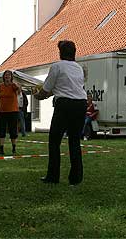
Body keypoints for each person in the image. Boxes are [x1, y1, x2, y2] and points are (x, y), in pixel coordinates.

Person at [34, 40, 88, 186]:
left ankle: (53, 176)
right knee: (74, 141)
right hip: (81, 103)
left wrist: (37, 95)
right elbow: (67, 87)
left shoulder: (56, 66)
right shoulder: (78, 68)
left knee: (54, 140)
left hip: (64, 105)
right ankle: (75, 178)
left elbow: (46, 90)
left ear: (60, 53)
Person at [0, 70, 21, 156]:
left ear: (11, 77)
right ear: (3, 77)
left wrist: (16, 84)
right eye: (6, 75)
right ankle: (1, 148)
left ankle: (14, 147)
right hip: (2, 111)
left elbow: (19, 91)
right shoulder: (1, 86)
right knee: (1, 130)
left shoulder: (13, 85)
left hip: (13, 111)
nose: (7, 77)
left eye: (9, 75)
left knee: (13, 130)